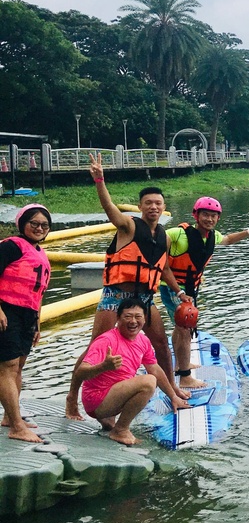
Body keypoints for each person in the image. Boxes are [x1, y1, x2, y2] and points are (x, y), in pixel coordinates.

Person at [66, 153, 189, 420]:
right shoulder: (128, 226)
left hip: (145, 298)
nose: (153, 207)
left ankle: (173, 390)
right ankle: (72, 398)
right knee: (94, 347)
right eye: (148, 203)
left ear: (164, 206)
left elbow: (163, 268)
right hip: (116, 295)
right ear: (140, 206)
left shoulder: (164, 238)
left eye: (157, 203)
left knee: (160, 344)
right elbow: (110, 208)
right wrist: (99, 180)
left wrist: (179, 292)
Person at [159, 196, 249, 388]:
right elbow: (162, 259)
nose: (209, 219)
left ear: (218, 218)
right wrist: (178, 292)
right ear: (195, 215)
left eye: (213, 216)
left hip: (189, 290)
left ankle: (180, 364)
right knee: (185, 328)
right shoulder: (177, 234)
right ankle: (185, 377)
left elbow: (228, 240)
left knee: (180, 327)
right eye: (205, 215)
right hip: (173, 288)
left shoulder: (212, 236)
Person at [75, 298, 189, 446]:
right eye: (128, 317)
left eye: (138, 317)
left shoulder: (143, 341)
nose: (133, 321)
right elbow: (80, 372)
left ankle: (110, 424)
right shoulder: (106, 340)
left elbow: (154, 368)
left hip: (113, 396)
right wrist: (103, 366)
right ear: (118, 318)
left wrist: (173, 396)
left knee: (150, 376)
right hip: (97, 400)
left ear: (145, 318)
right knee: (148, 382)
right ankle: (120, 430)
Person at [0, 204, 52, 443]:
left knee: (18, 366)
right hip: (6, 310)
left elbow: (38, 293)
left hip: (28, 315)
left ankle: (11, 418)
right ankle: (17, 427)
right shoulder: (11, 246)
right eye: (34, 224)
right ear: (22, 224)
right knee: (7, 367)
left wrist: (38, 323)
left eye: (44, 225)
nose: (39, 228)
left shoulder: (40, 252)